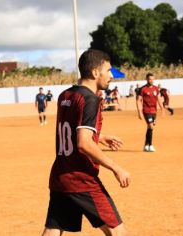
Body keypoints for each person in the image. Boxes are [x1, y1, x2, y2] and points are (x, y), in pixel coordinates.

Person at [42, 49, 130, 236]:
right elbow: (83, 143)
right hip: (81, 179)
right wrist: (116, 168)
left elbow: (72, 130)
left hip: (61, 175)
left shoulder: (66, 95)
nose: (111, 76)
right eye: (108, 71)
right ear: (95, 73)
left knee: (53, 230)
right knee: (119, 232)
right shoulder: (90, 99)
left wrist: (100, 136)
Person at [136, 73, 164, 152]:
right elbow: (138, 101)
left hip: (154, 111)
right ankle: (151, 145)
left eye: (152, 79)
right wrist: (140, 113)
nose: (151, 80)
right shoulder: (143, 89)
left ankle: (146, 145)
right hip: (146, 111)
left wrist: (162, 109)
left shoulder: (156, 89)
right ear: (146, 79)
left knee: (150, 128)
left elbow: (158, 99)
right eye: (149, 79)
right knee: (151, 127)